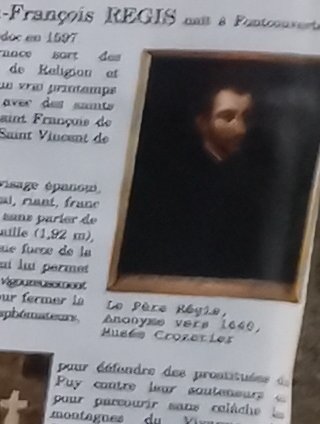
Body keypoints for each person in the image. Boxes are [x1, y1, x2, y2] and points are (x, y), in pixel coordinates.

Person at [115, 70, 306, 290]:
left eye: (246, 117)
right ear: (202, 123)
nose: (241, 129)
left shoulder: (259, 178)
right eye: (227, 117)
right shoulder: (175, 183)